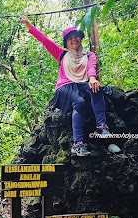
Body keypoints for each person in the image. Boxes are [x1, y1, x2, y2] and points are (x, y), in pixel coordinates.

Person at [22, 17, 110, 156]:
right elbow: (46, 41)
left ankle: (102, 127)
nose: (74, 39)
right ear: (66, 42)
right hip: (66, 86)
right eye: (70, 38)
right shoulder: (61, 54)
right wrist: (31, 27)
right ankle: (78, 144)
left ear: (80, 39)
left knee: (96, 88)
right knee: (79, 103)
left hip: (83, 84)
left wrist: (93, 78)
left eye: (76, 37)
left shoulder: (89, 54)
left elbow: (91, 68)